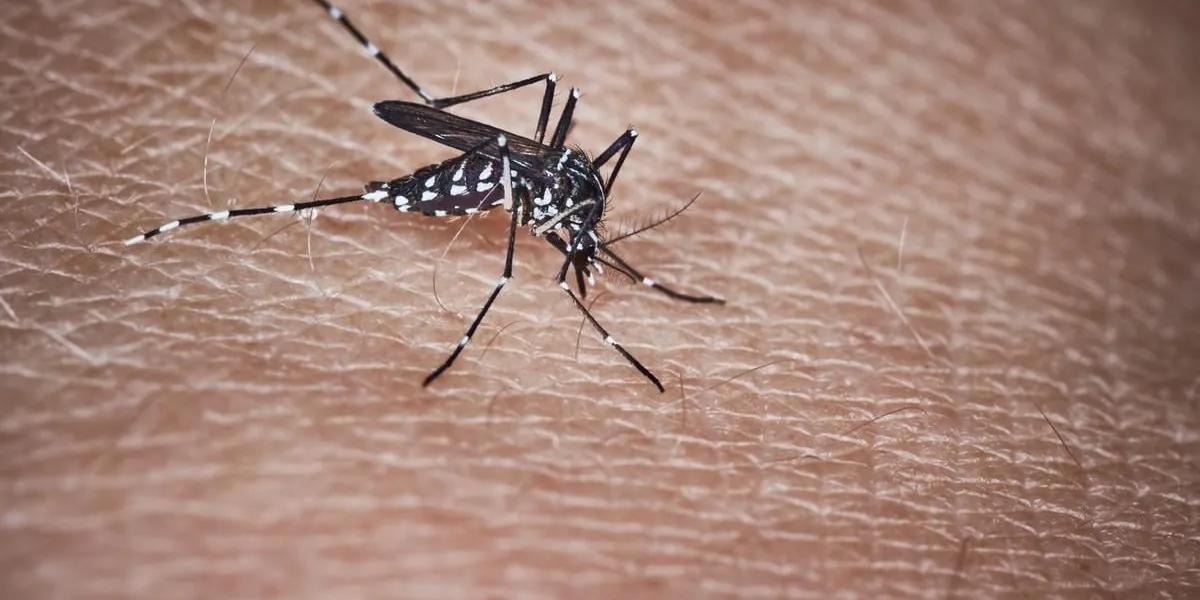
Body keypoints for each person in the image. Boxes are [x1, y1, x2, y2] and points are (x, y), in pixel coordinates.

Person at [4, 0, 1197, 597]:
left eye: (592, 246)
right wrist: (511, 224)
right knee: (448, 168)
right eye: (592, 249)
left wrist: (604, 246)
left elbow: (586, 180)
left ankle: (380, 158)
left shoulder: (584, 187)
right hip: (483, 166)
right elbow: (545, 189)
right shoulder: (541, 200)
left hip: (524, 173)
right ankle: (281, 195)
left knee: (582, 143)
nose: (585, 244)